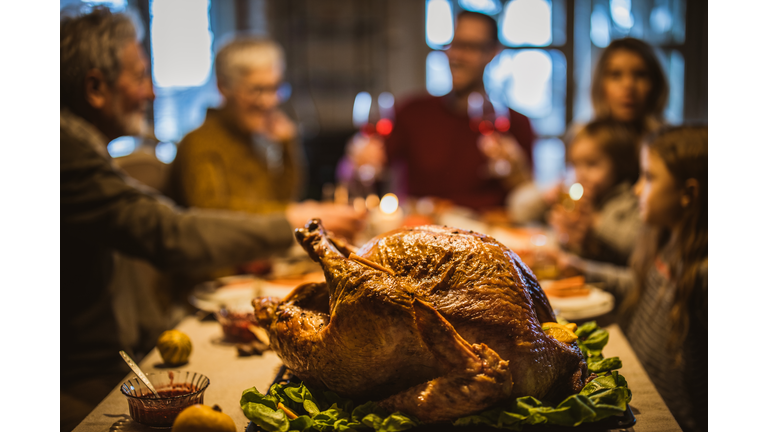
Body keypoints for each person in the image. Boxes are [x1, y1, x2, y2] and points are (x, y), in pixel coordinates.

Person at [60, 8, 363, 430]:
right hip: (94, 366)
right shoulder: (68, 148)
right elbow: (183, 230)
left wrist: (289, 149)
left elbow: (281, 198)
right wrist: (289, 219)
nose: (152, 93)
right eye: (140, 75)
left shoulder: (263, 138)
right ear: (95, 87)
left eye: (275, 87)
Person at [562, 126, 708, 432]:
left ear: (689, 194)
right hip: (642, 389)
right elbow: (641, 286)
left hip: (674, 418)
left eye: (650, 178)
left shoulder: (705, 275)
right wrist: (581, 268)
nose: (638, 189)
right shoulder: (666, 243)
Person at [341, 11, 535, 213]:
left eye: (469, 47)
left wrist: (518, 173)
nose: (456, 55)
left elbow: (529, 206)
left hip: (485, 235)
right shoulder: (413, 112)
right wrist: (354, 163)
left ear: (493, 53)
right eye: (453, 44)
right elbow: (363, 175)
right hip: (420, 229)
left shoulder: (516, 124)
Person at [509, 37, 668, 223]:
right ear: (600, 83)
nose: (628, 86)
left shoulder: (664, 144)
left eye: (640, 74)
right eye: (615, 75)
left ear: (656, 83)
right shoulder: (586, 135)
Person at [168, 37, 303, 215]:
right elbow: (212, 213)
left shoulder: (250, 138)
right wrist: (291, 214)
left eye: (275, 88)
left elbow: (280, 198)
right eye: (257, 90)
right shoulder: (198, 143)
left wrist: (287, 146)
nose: (269, 101)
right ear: (222, 86)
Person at [547, 120, 642, 265]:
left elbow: (637, 246)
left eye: (591, 164)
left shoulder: (631, 201)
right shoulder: (580, 198)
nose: (581, 174)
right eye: (574, 164)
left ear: (618, 165)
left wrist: (595, 222)